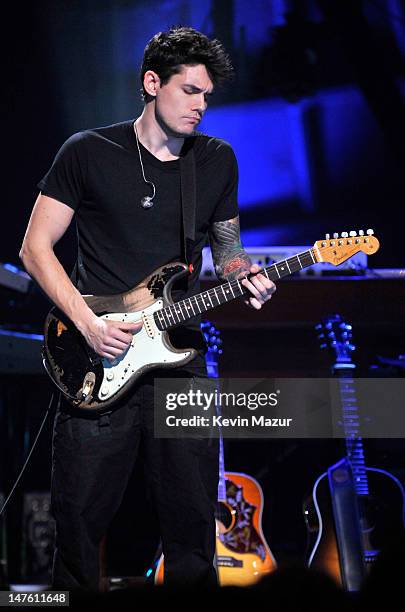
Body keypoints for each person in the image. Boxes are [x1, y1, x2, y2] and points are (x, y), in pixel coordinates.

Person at [19, 26, 276, 591]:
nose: (200, 106)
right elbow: (35, 249)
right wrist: (87, 324)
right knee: (80, 531)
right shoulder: (87, 151)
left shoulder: (215, 161)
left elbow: (228, 254)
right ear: (151, 83)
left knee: (192, 530)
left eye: (207, 95)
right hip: (97, 358)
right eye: (189, 91)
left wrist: (247, 277)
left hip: (180, 364)